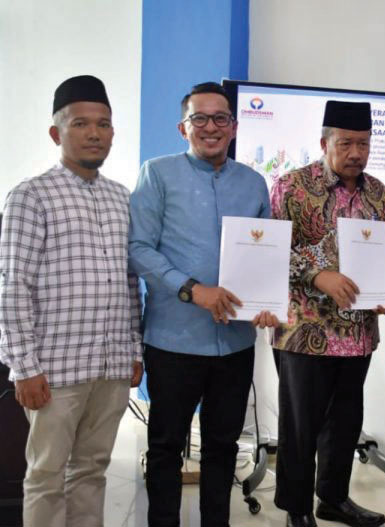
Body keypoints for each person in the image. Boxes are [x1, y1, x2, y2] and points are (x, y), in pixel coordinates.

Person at [128, 81, 277, 527]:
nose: (211, 127)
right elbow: (138, 248)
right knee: (165, 447)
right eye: (200, 118)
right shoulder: (157, 174)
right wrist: (193, 290)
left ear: (234, 126)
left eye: (220, 118)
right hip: (173, 341)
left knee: (223, 446)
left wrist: (266, 301)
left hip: (235, 343)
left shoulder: (254, 183)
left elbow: (266, 255)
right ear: (183, 127)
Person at [0, 75, 142, 527]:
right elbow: (13, 285)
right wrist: (24, 367)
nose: (94, 133)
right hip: (54, 370)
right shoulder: (31, 196)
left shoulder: (122, 198)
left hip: (111, 366)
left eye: (103, 124)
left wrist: (134, 351)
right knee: (46, 475)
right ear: (56, 133)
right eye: (80, 123)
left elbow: (130, 283)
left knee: (92, 470)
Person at [270, 100, 385, 527]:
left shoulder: (378, 192)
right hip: (305, 331)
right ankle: (296, 508)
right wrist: (318, 275)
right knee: (301, 427)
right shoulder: (292, 187)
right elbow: (273, 251)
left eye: (363, 144)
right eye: (346, 143)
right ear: (324, 142)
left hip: (358, 333)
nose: (356, 153)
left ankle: (333, 498)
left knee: (345, 423)